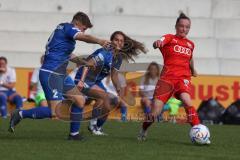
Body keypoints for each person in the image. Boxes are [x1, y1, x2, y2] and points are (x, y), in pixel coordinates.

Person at [9, 11, 111, 141]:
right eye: (83, 29)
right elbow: (83, 38)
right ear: (77, 23)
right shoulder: (68, 28)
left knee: (80, 100)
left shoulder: (63, 31)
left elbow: (67, 54)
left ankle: (74, 135)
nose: (83, 32)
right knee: (54, 112)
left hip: (61, 74)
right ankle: (20, 113)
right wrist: (100, 41)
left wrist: (82, 62)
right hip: (51, 73)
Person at [137, 13, 210, 144]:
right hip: (167, 80)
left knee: (188, 102)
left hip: (183, 79)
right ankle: (144, 129)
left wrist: (192, 69)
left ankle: (200, 134)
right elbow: (160, 41)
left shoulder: (190, 44)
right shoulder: (169, 38)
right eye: (181, 26)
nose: (184, 29)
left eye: (187, 27)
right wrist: (157, 43)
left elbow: (190, 57)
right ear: (176, 26)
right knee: (154, 114)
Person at [74, 31, 147, 135]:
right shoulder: (104, 53)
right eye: (116, 40)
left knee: (112, 101)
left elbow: (114, 75)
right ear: (111, 41)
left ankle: (97, 127)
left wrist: (118, 89)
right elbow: (87, 65)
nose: (119, 42)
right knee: (102, 97)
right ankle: (92, 126)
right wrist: (81, 81)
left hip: (96, 82)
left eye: (121, 41)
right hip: (83, 79)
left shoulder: (118, 57)